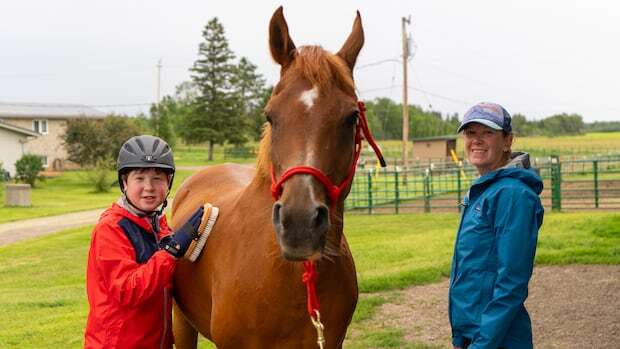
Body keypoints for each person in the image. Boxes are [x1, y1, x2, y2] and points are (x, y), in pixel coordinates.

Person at [84, 135, 207, 349]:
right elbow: (129, 291)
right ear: (124, 182)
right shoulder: (111, 228)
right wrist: (172, 251)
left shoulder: (158, 224)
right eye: (139, 178)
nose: (149, 187)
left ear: (168, 183)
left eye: (157, 178)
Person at [449, 102, 544, 349]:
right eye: (471, 133)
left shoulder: (513, 194)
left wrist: (482, 344)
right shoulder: (486, 189)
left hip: (497, 339)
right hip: (476, 333)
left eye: (488, 133)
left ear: (507, 141)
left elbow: (511, 282)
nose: (477, 141)